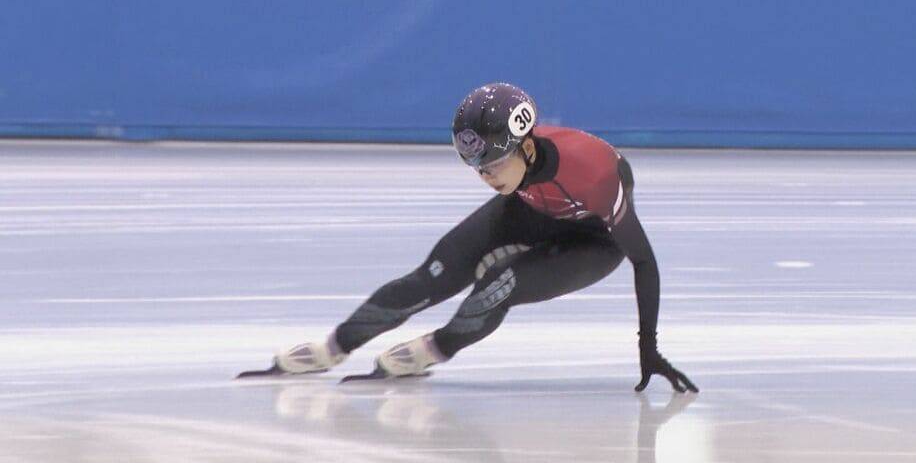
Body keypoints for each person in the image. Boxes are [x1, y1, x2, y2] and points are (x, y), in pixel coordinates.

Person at [241, 83, 698, 393]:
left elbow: (644, 260)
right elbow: (498, 195)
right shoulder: (513, 173)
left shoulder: (594, 175)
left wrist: (649, 348)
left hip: (594, 242)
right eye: (478, 169)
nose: (487, 177)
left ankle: (435, 349)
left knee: (498, 284)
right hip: (532, 207)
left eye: (494, 165)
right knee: (433, 275)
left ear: (528, 147)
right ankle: (333, 348)